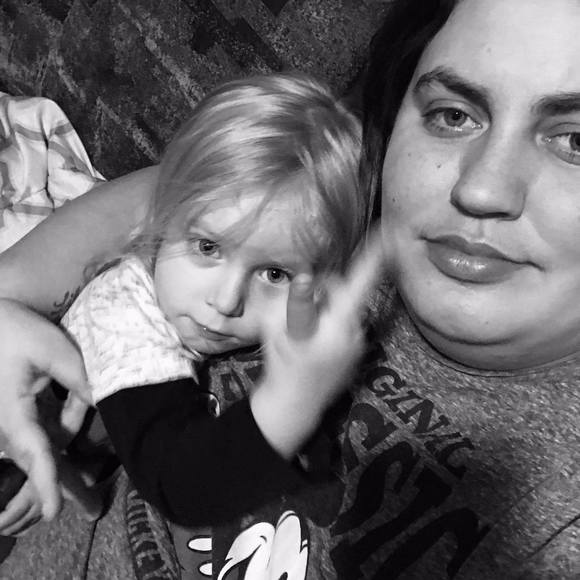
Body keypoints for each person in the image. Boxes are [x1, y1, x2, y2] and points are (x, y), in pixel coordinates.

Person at [1, 0, 580, 578]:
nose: (480, 190)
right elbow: (200, 188)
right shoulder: (360, 194)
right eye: (453, 115)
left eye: (576, 141)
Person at [59, 72, 379, 525]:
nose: (226, 302)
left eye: (274, 273)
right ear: (163, 217)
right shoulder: (120, 314)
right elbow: (181, 489)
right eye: (207, 247)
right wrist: (296, 399)